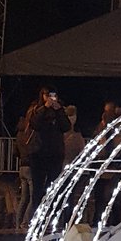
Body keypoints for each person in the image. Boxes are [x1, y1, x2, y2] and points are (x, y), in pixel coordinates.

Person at [26, 86, 70, 215]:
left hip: (55, 153)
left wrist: (59, 110)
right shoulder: (36, 109)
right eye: (47, 95)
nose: (51, 98)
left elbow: (66, 126)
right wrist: (44, 108)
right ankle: (36, 216)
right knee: (37, 187)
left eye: (53, 95)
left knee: (53, 185)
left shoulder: (59, 109)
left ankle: (50, 214)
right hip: (38, 152)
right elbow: (34, 124)